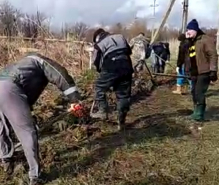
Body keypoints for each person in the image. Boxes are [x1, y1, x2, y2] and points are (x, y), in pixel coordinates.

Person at [0, 52, 82, 185]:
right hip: (9, 89)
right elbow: (61, 75)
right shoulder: (40, 61)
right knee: (27, 132)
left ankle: (6, 162)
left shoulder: (20, 66)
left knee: (1, 129)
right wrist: (75, 99)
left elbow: (23, 93)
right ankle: (36, 176)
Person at [90, 28, 134, 131]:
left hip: (111, 66)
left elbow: (96, 61)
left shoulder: (99, 44)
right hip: (126, 65)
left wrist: (102, 74)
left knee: (99, 87)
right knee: (123, 95)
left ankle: (102, 111)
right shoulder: (120, 37)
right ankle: (121, 122)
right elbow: (129, 51)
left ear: (97, 38)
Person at [185, 19, 218, 121]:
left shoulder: (205, 40)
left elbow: (213, 55)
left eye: (190, 29)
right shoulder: (191, 42)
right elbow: (188, 57)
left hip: (204, 71)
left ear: (195, 30)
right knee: (193, 91)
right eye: (187, 30)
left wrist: (213, 70)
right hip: (194, 72)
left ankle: (199, 114)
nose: (188, 32)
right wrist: (187, 70)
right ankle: (196, 110)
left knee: (199, 92)